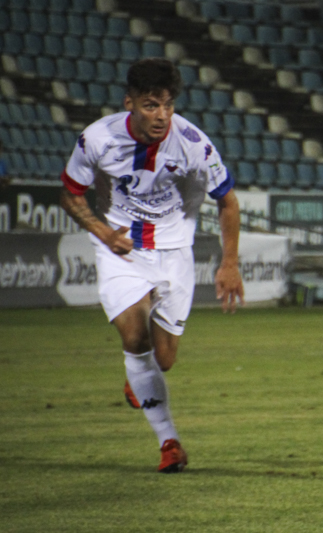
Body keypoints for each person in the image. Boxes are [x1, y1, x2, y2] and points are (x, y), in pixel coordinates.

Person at [59, 58, 244, 473]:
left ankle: (139, 375)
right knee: (134, 334)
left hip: (174, 253)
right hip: (119, 248)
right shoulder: (97, 139)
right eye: (150, 105)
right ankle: (169, 443)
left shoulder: (194, 144)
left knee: (163, 359)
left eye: (167, 105)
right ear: (130, 103)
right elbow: (70, 194)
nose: (161, 116)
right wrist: (102, 232)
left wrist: (229, 262)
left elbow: (228, 201)